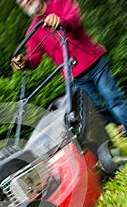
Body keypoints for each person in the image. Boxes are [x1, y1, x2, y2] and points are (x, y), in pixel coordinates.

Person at [12, 0, 127, 136]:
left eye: (28, 0)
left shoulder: (60, 3)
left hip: (93, 62)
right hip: (74, 77)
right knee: (94, 110)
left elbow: (75, 20)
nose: (27, 3)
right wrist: (23, 63)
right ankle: (120, 122)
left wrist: (60, 21)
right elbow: (34, 59)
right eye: (23, 4)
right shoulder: (33, 32)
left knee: (113, 98)